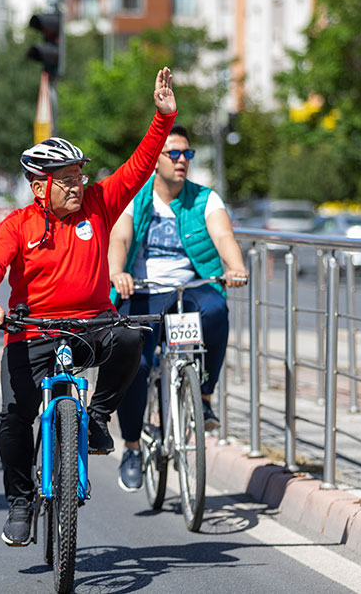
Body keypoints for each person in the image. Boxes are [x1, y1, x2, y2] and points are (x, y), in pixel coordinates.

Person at [0, 67, 178, 546]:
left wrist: (162, 119)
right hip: (32, 332)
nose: (76, 185)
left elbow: (139, 165)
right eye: (65, 180)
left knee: (131, 335)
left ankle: (99, 419)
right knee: (14, 417)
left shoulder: (98, 204)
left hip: (92, 326)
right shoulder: (17, 224)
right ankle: (20, 503)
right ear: (38, 186)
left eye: (78, 176)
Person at [108, 123, 248, 493]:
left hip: (189, 288)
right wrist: (118, 271)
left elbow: (223, 236)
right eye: (174, 153)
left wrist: (235, 266)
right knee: (134, 362)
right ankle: (133, 447)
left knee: (217, 310)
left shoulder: (205, 198)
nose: (182, 160)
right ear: (155, 160)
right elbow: (119, 236)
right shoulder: (135, 197)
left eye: (187, 153)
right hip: (142, 291)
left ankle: (203, 396)